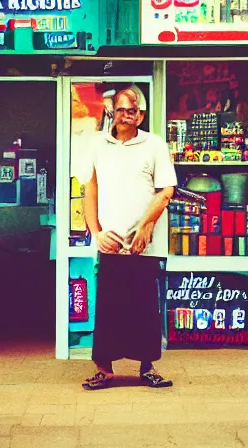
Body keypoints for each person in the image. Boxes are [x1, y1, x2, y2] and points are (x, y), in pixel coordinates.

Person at [80, 87, 177, 390]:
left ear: (141, 115)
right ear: (112, 111)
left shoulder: (155, 145)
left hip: (142, 247)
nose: (126, 115)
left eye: (132, 110)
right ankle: (104, 370)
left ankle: (147, 368)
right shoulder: (98, 145)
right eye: (120, 109)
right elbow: (89, 191)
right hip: (111, 245)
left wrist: (146, 225)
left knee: (144, 309)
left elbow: (166, 192)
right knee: (108, 309)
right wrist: (96, 233)